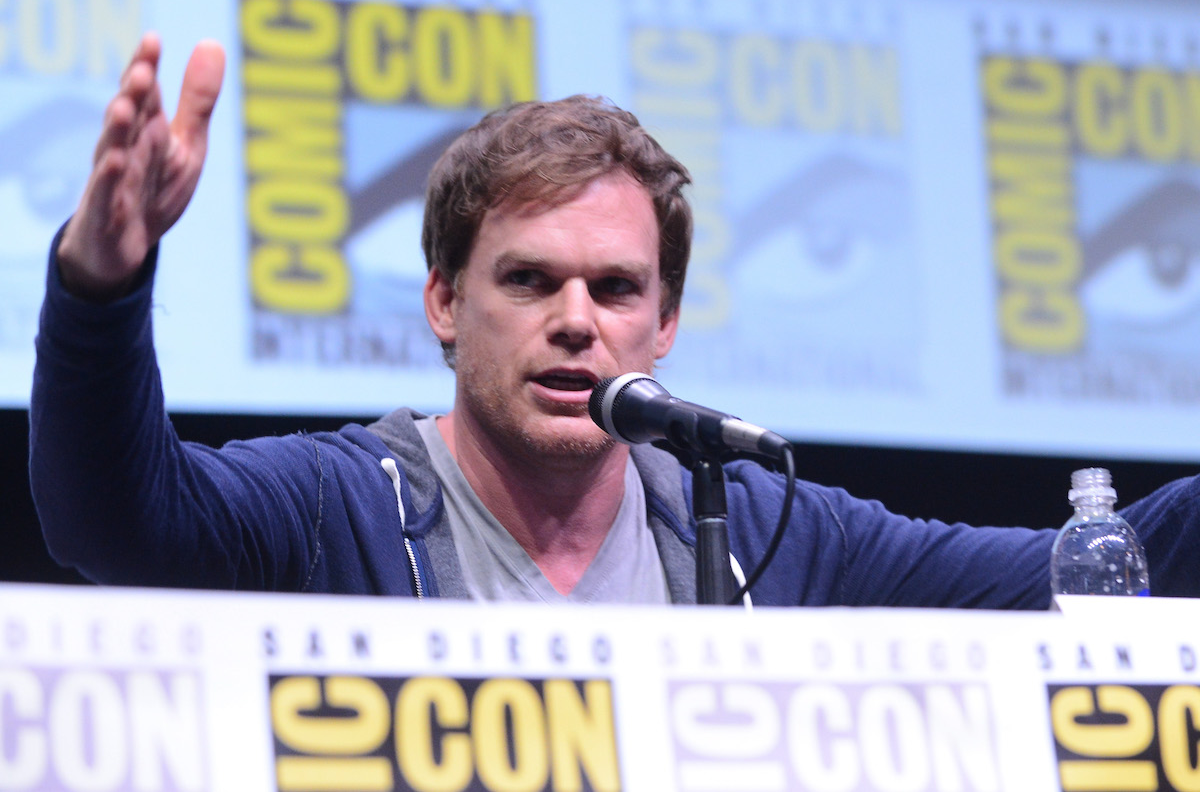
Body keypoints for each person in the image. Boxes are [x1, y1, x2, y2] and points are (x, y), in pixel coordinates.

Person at [28, 34, 1200, 606]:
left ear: (666, 323)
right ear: (445, 300)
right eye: (530, 281)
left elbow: (1086, 567)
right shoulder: (343, 500)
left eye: (616, 288)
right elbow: (114, 520)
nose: (578, 321)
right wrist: (100, 282)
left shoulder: (760, 527)